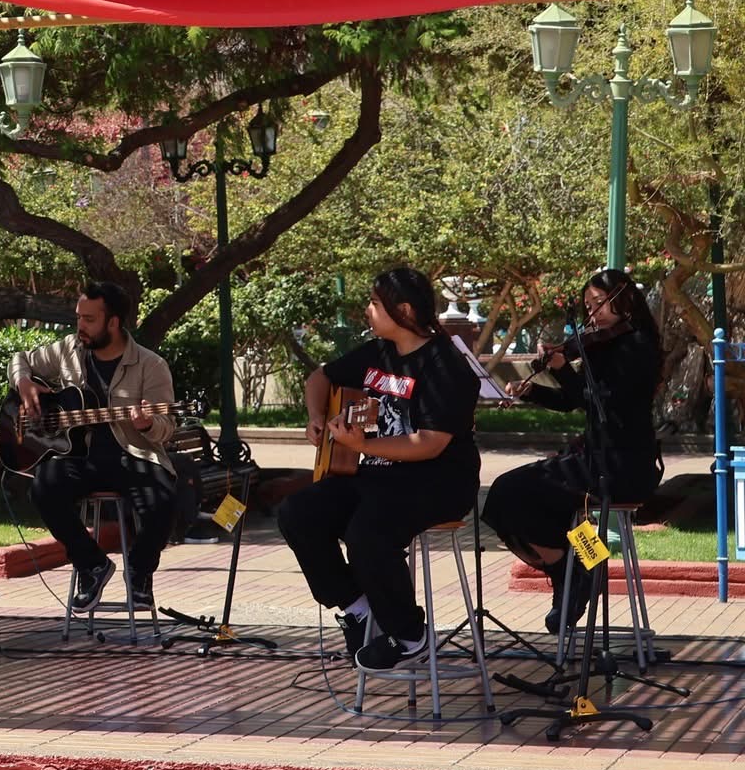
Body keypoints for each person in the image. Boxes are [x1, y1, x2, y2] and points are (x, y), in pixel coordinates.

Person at [279, 266, 482, 671]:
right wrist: (316, 417)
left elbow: (430, 442)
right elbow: (318, 378)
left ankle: (409, 634)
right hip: (379, 475)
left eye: (374, 304)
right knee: (298, 512)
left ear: (403, 310)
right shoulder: (379, 353)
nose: (367, 311)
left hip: (438, 481)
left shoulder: (444, 365)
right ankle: (358, 608)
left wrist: (364, 444)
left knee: (367, 533)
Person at [482, 268, 663, 634]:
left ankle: (573, 570)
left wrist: (565, 370)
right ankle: (575, 567)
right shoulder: (602, 346)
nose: (593, 313)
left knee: (514, 491)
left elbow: (601, 401)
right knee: (506, 496)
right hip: (595, 458)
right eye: (587, 305)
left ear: (625, 300)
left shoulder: (639, 346)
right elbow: (572, 400)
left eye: (600, 303)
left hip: (623, 463)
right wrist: (533, 390)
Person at [8, 281, 181, 613]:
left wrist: (147, 423)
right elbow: (20, 360)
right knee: (44, 487)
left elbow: (166, 428)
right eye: (78, 317)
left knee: (163, 498)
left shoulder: (150, 366)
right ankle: (92, 566)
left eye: (89, 319)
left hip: (132, 455)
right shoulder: (67, 350)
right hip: (78, 458)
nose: (80, 326)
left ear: (113, 322)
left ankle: (140, 573)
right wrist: (24, 382)